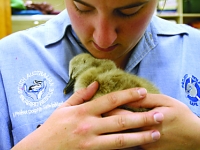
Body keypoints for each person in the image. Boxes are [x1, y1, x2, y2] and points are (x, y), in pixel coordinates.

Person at [0, 0, 200, 149]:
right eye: (82, 7)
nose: (103, 39)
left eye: (129, 10)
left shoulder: (195, 48)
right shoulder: (7, 59)